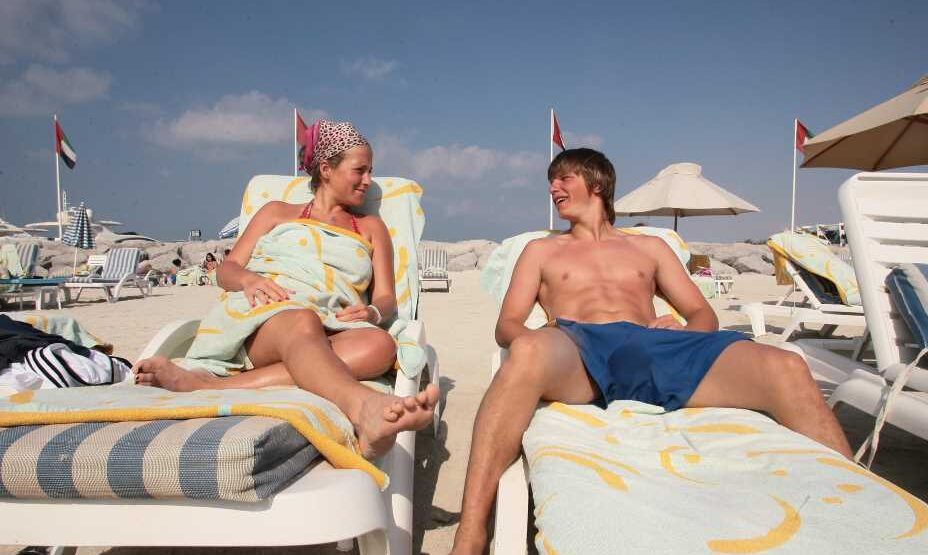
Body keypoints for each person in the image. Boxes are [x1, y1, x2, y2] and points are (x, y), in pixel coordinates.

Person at [450, 148, 852, 554]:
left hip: (657, 347)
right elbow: (507, 326)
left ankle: (854, 505)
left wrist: (683, 328)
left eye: (564, 178)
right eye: (551, 181)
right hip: (580, 348)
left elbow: (703, 315)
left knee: (786, 366)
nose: (553, 188)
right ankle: (471, 533)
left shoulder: (650, 248)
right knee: (528, 351)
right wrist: (546, 337)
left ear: (597, 184)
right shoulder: (541, 251)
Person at [135, 119, 438, 459]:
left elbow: (386, 298)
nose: (368, 180)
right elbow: (226, 271)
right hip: (269, 318)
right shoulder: (277, 213)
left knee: (380, 346)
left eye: (371, 172)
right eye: (360, 170)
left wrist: (372, 312)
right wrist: (249, 280)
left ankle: (213, 386)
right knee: (302, 320)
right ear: (326, 169)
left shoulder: (371, 227)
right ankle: (363, 407)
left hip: (335, 326)